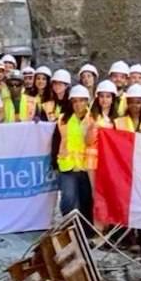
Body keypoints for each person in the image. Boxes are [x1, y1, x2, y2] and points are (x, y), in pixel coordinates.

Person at [56, 85, 95, 221]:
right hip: (68, 165)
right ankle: (69, 225)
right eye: (75, 101)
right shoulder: (63, 119)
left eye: (82, 101)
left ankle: (85, 230)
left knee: (86, 201)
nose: (78, 105)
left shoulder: (94, 118)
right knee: (68, 199)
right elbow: (56, 140)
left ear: (87, 101)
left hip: (87, 166)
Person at [85, 80, 117, 177]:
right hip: (93, 160)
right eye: (101, 96)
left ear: (113, 99)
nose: (104, 99)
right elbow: (87, 141)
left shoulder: (117, 119)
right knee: (95, 191)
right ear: (97, 98)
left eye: (108, 96)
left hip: (110, 160)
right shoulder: (91, 117)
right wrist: (91, 128)